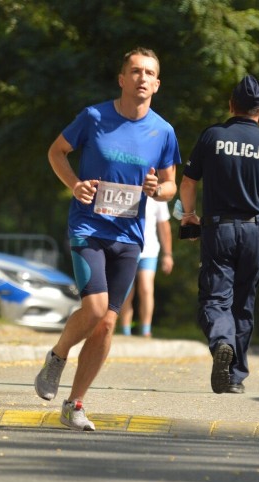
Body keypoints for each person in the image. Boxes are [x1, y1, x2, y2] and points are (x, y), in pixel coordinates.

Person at [37, 47, 180, 430]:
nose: (142, 78)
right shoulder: (94, 116)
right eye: (135, 71)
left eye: (150, 72)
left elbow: (171, 187)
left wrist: (157, 189)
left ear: (157, 84)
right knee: (96, 308)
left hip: (130, 238)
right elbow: (57, 152)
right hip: (88, 228)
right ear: (122, 79)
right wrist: (75, 185)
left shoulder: (163, 131)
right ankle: (58, 355)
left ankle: (75, 403)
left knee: (106, 324)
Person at [178, 75, 259, 394]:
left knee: (215, 297)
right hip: (253, 231)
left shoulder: (212, 136)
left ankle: (222, 343)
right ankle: (234, 377)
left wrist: (189, 215)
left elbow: (188, 182)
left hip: (218, 228)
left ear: (231, 105)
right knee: (243, 302)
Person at [119, 197, 174, 337]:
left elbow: (164, 226)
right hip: (126, 247)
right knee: (126, 290)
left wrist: (167, 254)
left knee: (146, 288)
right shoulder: (127, 189)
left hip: (149, 250)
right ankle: (125, 330)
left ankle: (146, 330)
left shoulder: (158, 195)